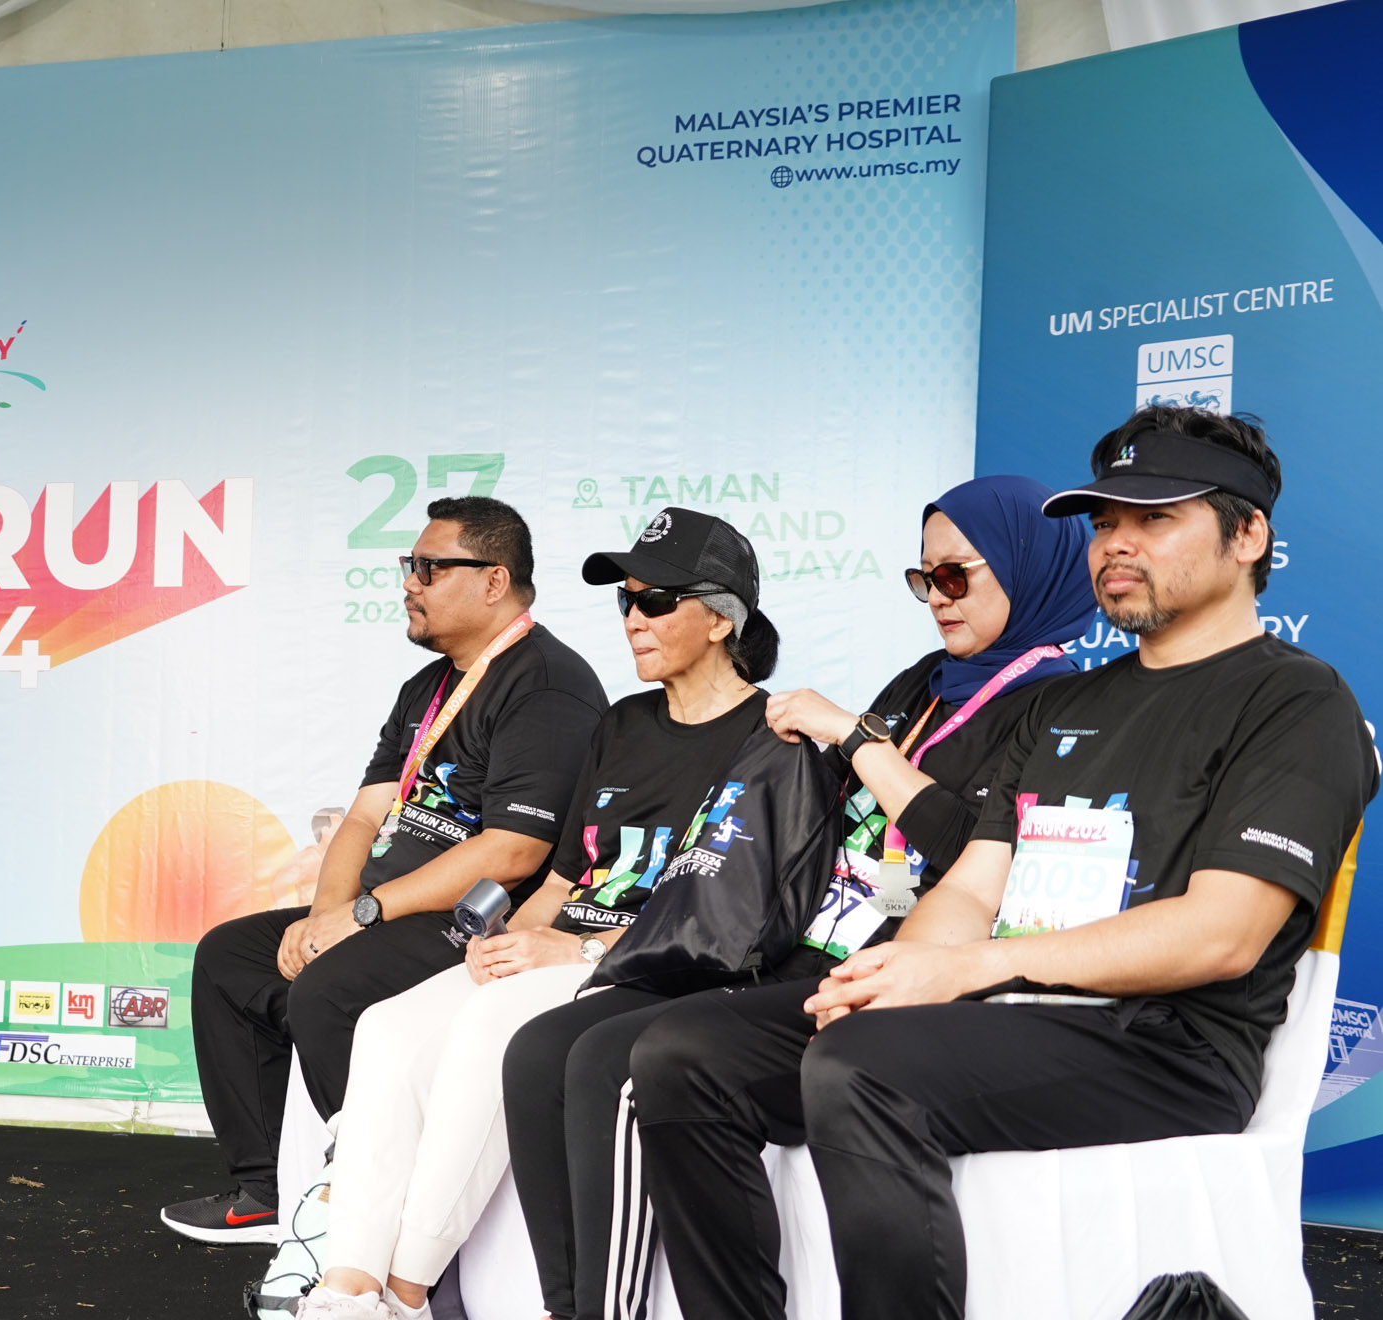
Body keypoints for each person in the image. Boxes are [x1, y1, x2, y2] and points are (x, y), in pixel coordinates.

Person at [664, 406, 1374, 1320]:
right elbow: (973, 884)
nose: (1117, 544)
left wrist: (975, 968)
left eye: (1155, 518)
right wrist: (899, 971)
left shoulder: (1298, 702)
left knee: (861, 1067)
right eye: (1105, 522)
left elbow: (1222, 935)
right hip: (1008, 1013)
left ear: (1248, 537)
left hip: (1168, 1045)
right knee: (686, 1052)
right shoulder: (1062, 703)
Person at [293, 508, 833, 1320]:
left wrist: (577, 952)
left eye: (656, 602)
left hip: (641, 968)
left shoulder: (778, 741)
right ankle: (349, 1284)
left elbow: (742, 922)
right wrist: (508, 939)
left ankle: (407, 1290)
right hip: (556, 948)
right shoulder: (621, 723)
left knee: (491, 1025)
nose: (633, 619)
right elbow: (564, 877)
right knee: (387, 1027)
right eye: (626, 600)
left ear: (722, 620)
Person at [620, 473, 1096, 1320]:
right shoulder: (925, 680)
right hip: (829, 940)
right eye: (923, 578)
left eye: (956, 575)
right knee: (646, 1047)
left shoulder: (1061, 704)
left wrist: (853, 735)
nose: (936, 598)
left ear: (1028, 567)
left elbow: (977, 854)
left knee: (654, 1052)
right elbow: (855, 823)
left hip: (933, 971)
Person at [161, 496, 607, 1243]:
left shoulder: (548, 685)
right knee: (231, 959)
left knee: (329, 991)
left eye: (429, 568)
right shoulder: (425, 689)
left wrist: (363, 916)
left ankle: (370, 1195)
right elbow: (365, 817)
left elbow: (514, 851)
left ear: (494, 580)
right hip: (386, 907)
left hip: (475, 920)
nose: (409, 583)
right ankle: (267, 1190)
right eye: (410, 565)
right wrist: (322, 918)